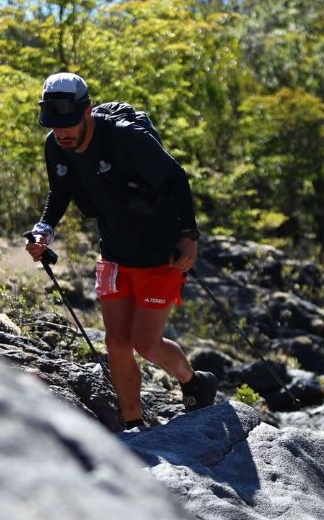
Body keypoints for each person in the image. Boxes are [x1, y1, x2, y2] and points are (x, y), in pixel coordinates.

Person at [24, 72, 215, 430]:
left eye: (68, 123)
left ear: (87, 112)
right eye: (55, 125)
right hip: (113, 252)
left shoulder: (126, 137)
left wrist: (189, 236)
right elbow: (59, 192)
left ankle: (194, 382)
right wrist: (43, 231)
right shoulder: (56, 145)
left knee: (146, 342)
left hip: (160, 254)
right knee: (116, 341)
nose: (62, 133)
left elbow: (175, 177)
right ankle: (133, 425)